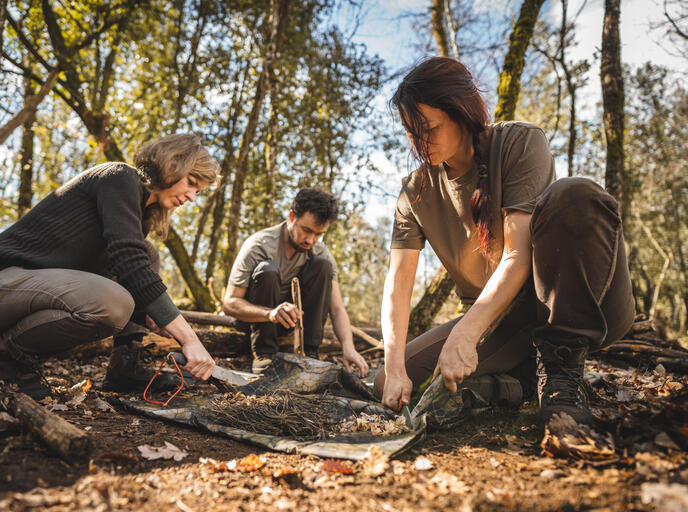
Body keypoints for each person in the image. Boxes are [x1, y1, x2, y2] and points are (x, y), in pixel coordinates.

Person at [377, 57, 634, 431]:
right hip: (502, 325)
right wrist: (394, 366)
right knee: (389, 382)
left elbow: (516, 255)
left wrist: (465, 333)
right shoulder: (414, 193)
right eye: (410, 131)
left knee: (574, 194)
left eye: (429, 129)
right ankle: (519, 383)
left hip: (577, 304)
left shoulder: (519, 143)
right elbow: (398, 282)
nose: (419, 143)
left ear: (461, 112)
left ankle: (562, 368)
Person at [0, 134, 220, 399]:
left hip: (22, 293)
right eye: (192, 183)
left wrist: (153, 316)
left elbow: (126, 271)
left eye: (199, 191)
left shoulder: (141, 217)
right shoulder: (119, 177)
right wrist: (190, 339)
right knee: (115, 302)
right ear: (172, 165)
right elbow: (130, 264)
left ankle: (124, 368)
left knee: (146, 255)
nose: (192, 196)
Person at [222, 188, 369, 376]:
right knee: (268, 269)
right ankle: (264, 355)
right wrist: (270, 314)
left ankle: (309, 353)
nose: (310, 240)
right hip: (256, 319)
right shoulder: (259, 245)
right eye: (306, 230)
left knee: (324, 266)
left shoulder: (320, 251)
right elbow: (230, 303)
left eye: (319, 234)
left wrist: (348, 348)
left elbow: (337, 308)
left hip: (290, 323)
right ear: (292, 216)